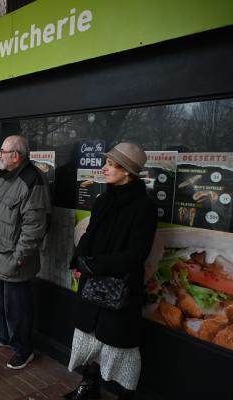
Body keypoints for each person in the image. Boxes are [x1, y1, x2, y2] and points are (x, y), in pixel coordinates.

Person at [64, 143, 157, 400]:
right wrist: (77, 260)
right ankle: (89, 385)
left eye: (110, 164)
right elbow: (90, 234)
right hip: (93, 282)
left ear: (127, 171)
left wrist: (93, 265)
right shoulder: (104, 199)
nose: (103, 169)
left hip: (120, 287)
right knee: (90, 338)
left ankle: (125, 394)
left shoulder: (144, 207)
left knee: (120, 347)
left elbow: (137, 254)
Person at [0, 135, 50, 370]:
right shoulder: (4, 177)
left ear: (15, 156)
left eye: (2, 151)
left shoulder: (33, 180)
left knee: (17, 309)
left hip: (13, 257)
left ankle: (23, 349)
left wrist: (20, 257)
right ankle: (2, 336)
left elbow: (34, 226)